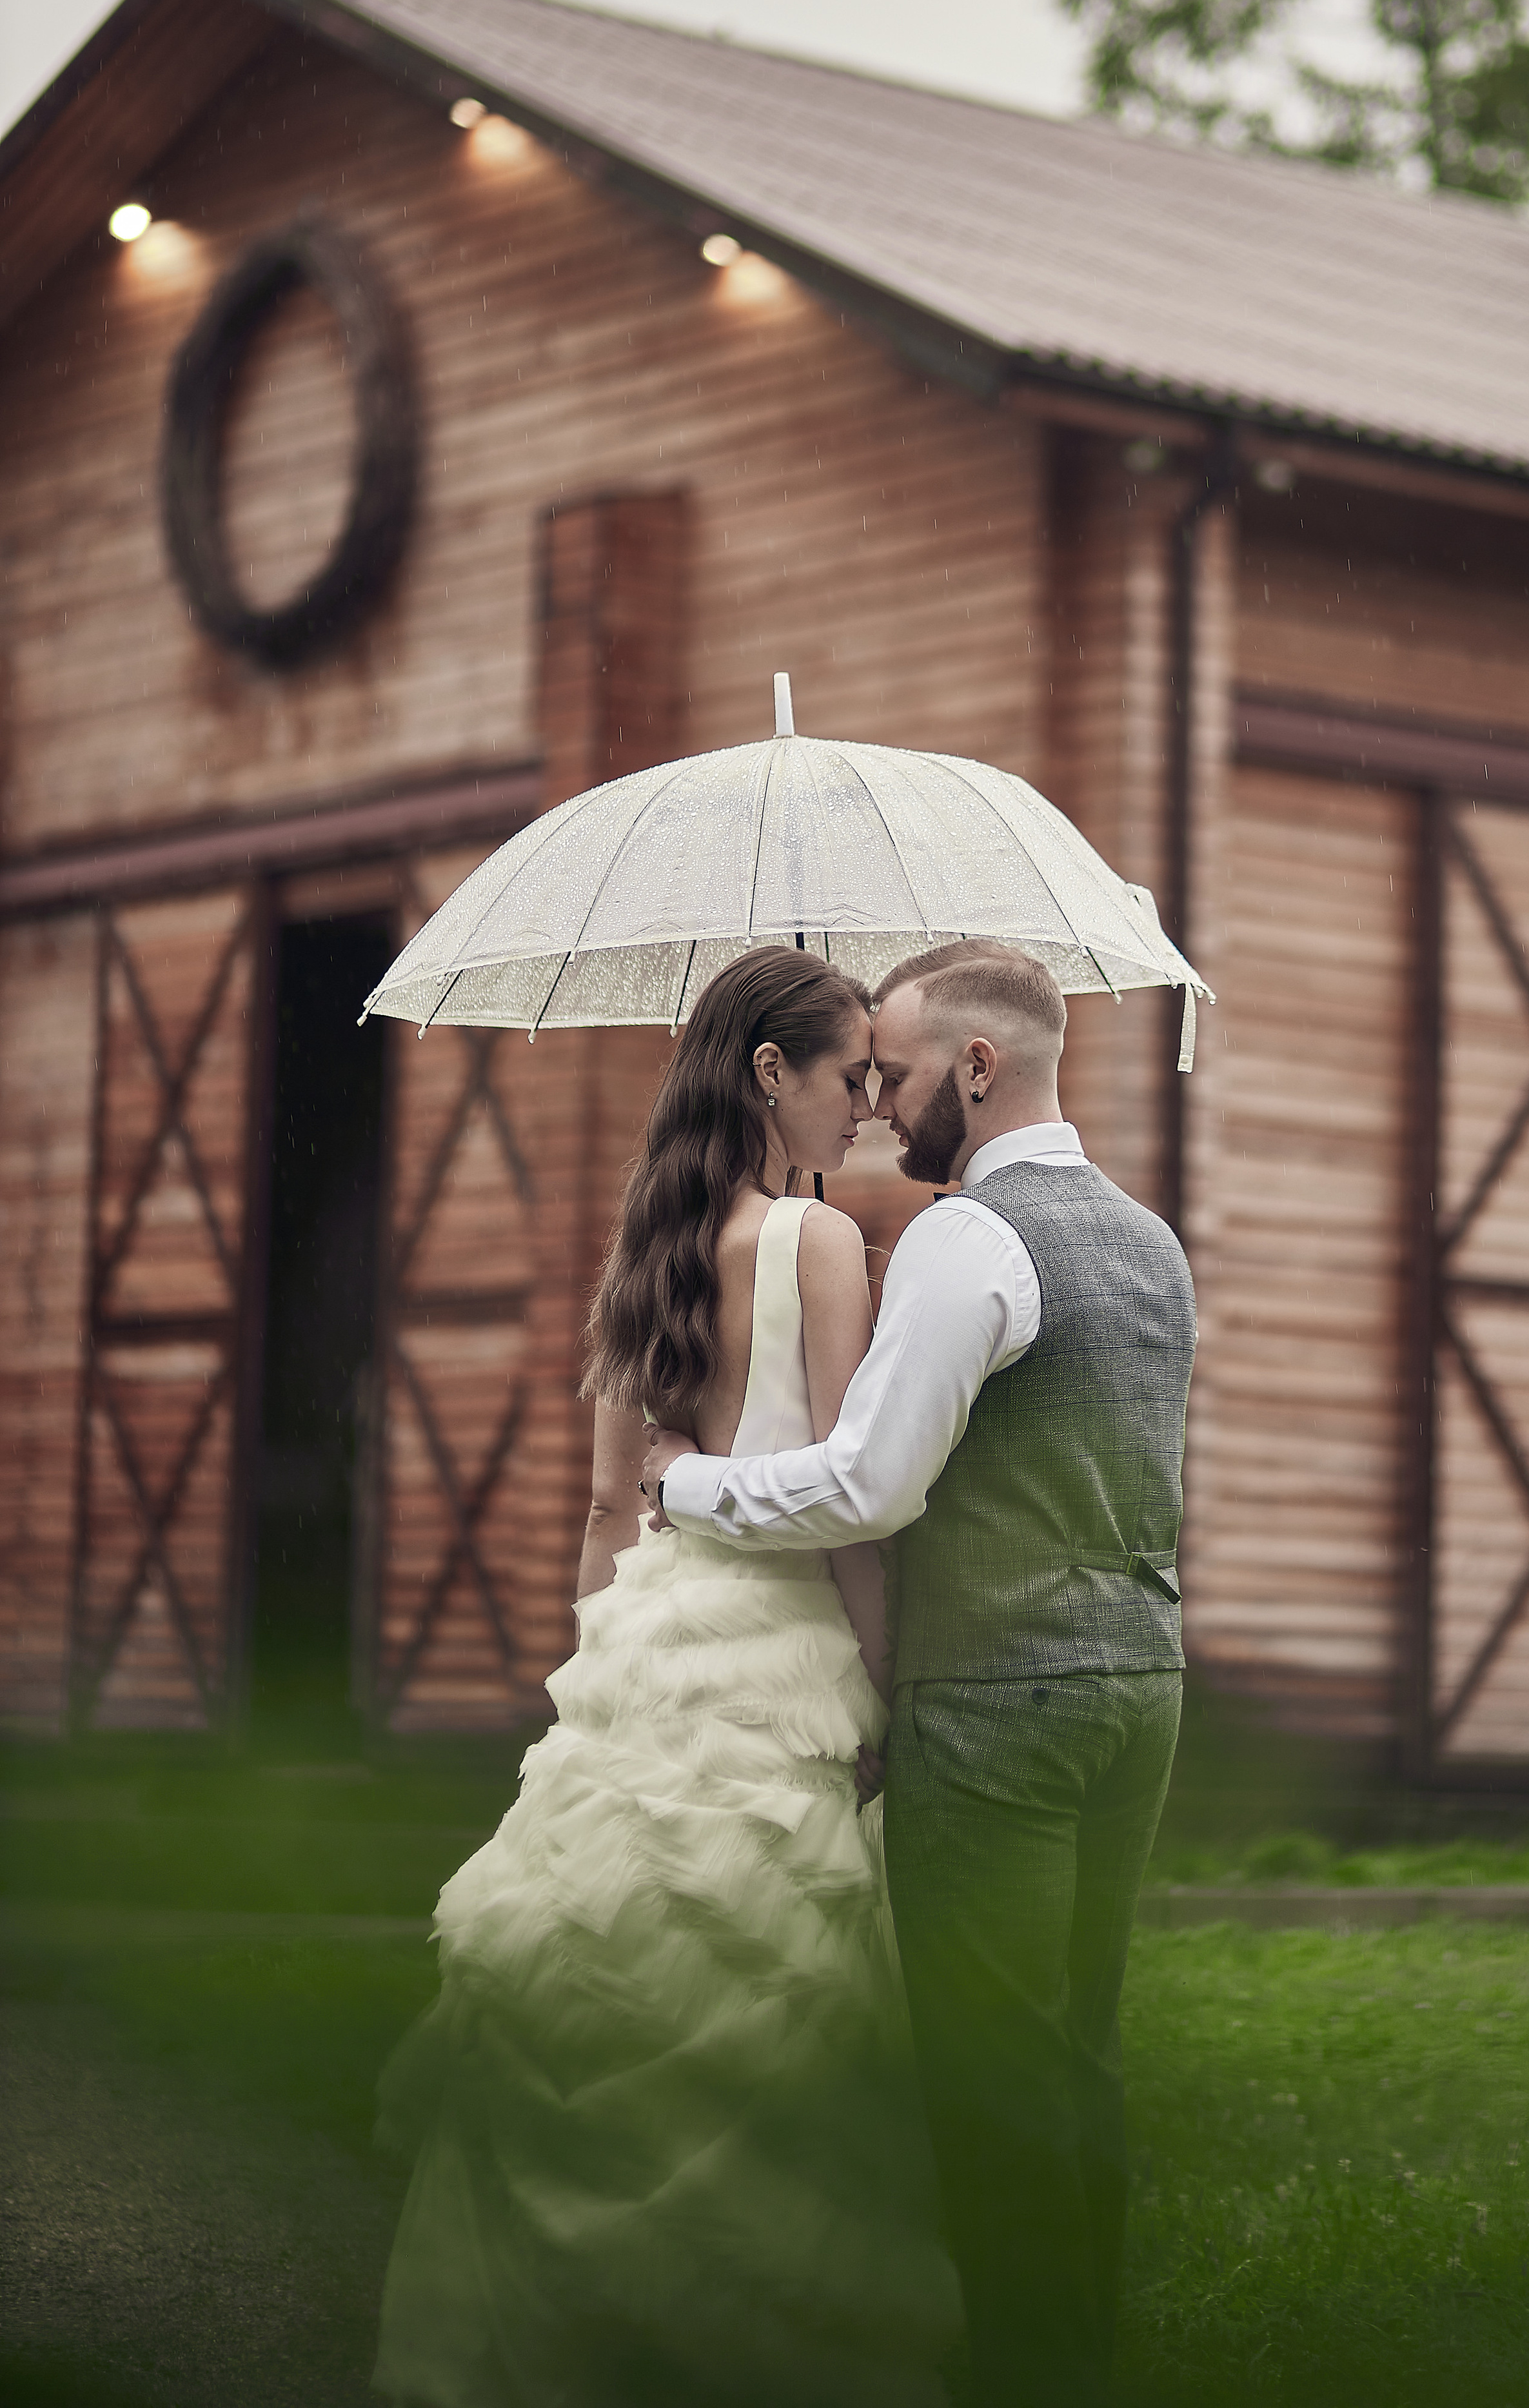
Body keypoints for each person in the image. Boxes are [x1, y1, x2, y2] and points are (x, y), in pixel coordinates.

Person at [373, 946, 962, 2408]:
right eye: (845, 1080)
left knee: (608, 1962)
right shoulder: (818, 1247)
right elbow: (840, 1499)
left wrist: (603, 1681)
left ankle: (552, 2329)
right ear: (771, 1074)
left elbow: (604, 1512)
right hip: (777, 1651)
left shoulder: (643, 1250)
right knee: (775, 1995)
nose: (867, 1112)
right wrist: (885, 1688)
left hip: (650, 1637)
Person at [644, 940, 1196, 2408]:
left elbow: (866, 1487)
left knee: (991, 2078)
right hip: (1137, 1690)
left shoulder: (968, 1238)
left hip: (998, 1708)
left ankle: (1028, 2375)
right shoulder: (1149, 1240)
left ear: (975, 1067)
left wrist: (683, 1487)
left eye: (891, 1071)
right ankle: (1080, 2359)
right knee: (1075, 2056)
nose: (876, 1106)